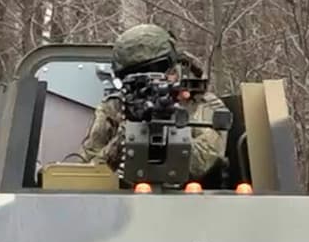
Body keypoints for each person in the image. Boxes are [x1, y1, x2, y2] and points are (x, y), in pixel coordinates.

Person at [78, 23, 229, 180]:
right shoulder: (114, 107)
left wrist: (164, 125)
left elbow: (200, 164)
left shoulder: (201, 104)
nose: (148, 81)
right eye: (135, 74)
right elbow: (88, 171)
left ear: (173, 67)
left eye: (157, 69)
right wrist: (124, 136)